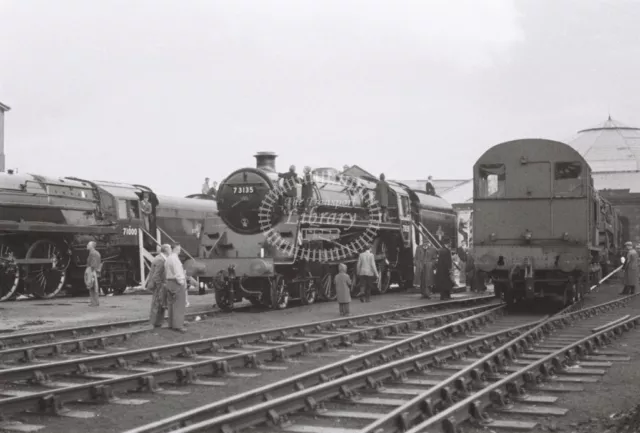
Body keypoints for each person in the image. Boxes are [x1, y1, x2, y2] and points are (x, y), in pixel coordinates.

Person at [165, 243, 188, 332]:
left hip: (169, 282)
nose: (180, 250)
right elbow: (178, 272)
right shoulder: (175, 259)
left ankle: (171, 324)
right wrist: (182, 282)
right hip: (176, 283)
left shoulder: (168, 259)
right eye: (179, 248)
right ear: (176, 248)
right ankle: (178, 325)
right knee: (179, 304)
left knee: (171, 304)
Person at [147, 244, 171, 327]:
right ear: (166, 250)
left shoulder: (160, 258)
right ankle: (155, 323)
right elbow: (156, 275)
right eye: (170, 249)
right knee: (157, 304)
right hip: (158, 285)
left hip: (159, 284)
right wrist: (160, 285)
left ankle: (158, 322)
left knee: (160, 304)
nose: (171, 250)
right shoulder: (161, 260)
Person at [85, 241, 102, 307]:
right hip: (95, 271)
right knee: (94, 287)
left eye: (88, 244)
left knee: (92, 287)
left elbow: (93, 264)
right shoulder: (96, 253)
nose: (87, 245)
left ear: (91, 246)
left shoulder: (93, 253)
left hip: (93, 271)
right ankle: (95, 302)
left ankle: (94, 303)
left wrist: (90, 273)